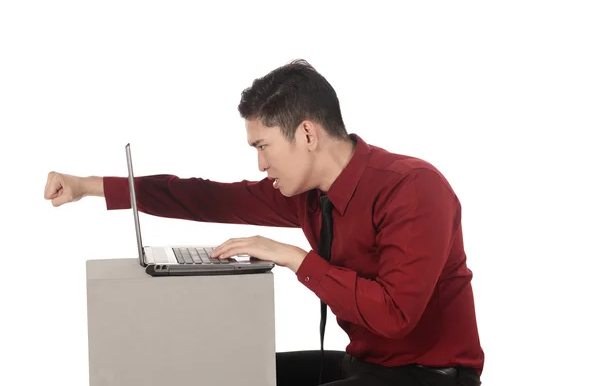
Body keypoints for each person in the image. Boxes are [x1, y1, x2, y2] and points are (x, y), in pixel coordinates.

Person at [44, 59, 484, 386]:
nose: (259, 165)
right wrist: (88, 185)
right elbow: (207, 196)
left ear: (307, 135)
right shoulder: (306, 195)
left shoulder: (412, 189)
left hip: (431, 375)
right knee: (226, 375)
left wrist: (295, 258)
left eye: (263, 146)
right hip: (364, 365)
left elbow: (395, 315)